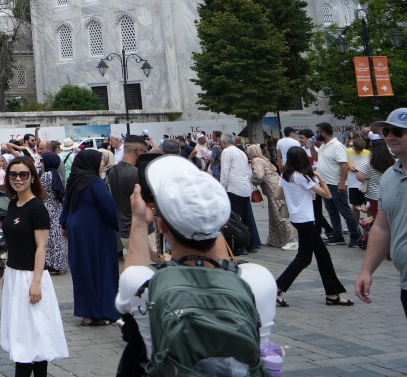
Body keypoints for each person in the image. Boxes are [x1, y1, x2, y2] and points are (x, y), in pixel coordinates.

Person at [115, 155, 277, 376]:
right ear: (223, 222)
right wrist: (208, 212)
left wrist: (139, 220)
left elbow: (133, 271)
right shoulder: (258, 279)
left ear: (161, 225)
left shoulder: (142, 282)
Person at [0, 157, 68, 377]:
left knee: (35, 333)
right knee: (23, 332)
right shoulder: (12, 204)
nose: (18, 179)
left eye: (23, 174)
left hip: (31, 276)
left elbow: (42, 247)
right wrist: (5, 271)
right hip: (14, 275)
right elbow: (12, 242)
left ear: (32, 177)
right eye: (13, 175)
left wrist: (36, 282)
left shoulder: (37, 208)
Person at [274, 147, 352, 308]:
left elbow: (278, 196)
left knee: (323, 255)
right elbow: (327, 195)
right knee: (304, 258)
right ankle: (276, 288)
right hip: (306, 220)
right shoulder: (303, 177)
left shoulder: (285, 175)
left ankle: (332, 294)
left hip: (297, 219)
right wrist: (319, 177)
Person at [356, 108, 407, 319]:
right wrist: (367, 270)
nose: (390, 136)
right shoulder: (389, 176)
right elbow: (381, 227)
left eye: (398, 131)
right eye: (386, 131)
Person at [60, 148, 119, 325]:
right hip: (96, 232)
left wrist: (64, 224)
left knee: (82, 270)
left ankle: (87, 313)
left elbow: (66, 206)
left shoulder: (74, 180)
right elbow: (108, 208)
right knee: (102, 270)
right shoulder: (95, 182)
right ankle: (105, 312)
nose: (103, 164)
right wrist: (120, 226)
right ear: (92, 163)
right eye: (100, 161)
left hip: (76, 231)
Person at [316, 121, 361, 247]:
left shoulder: (337, 146)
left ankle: (355, 236)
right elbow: (317, 160)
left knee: (345, 211)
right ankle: (338, 236)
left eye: (319, 132)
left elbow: (344, 165)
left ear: (324, 132)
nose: (317, 134)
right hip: (325, 184)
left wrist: (342, 183)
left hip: (335, 184)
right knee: (331, 211)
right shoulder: (323, 146)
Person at [247, 143, 297, 250]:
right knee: (276, 215)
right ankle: (276, 240)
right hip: (277, 186)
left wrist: (252, 180)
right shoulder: (264, 159)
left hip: (272, 189)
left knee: (280, 215)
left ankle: (291, 240)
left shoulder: (256, 161)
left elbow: (259, 175)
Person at [107, 135, 147, 256]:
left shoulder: (112, 172)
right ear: (138, 151)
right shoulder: (136, 174)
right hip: (140, 231)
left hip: (124, 231)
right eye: (145, 152)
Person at [38, 153, 68, 275]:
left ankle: (53, 264)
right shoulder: (57, 174)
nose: (41, 163)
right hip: (57, 208)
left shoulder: (46, 176)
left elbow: (40, 192)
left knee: (50, 237)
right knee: (58, 237)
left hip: (48, 208)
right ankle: (60, 264)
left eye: (42, 161)